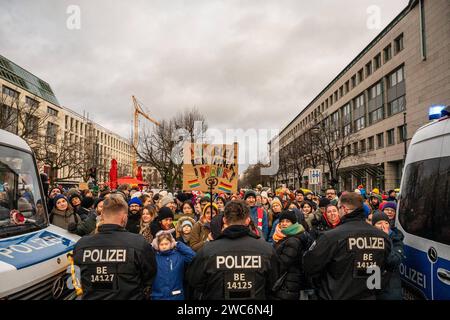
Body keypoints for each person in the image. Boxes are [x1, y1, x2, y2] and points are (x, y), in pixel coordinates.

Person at [303, 192, 392, 300]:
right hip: (369, 295)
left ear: (344, 209)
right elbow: (386, 268)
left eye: (338, 208)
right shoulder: (383, 237)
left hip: (336, 295)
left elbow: (309, 265)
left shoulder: (331, 236)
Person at [186, 200, 279, 300]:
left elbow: (194, 280)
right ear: (248, 220)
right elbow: (273, 282)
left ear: (224, 220)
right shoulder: (266, 250)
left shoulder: (208, 251)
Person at [73, 195, 157, 299]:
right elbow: (150, 276)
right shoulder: (138, 243)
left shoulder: (82, 244)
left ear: (102, 216)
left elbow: (77, 278)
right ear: (124, 217)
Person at [272, 210, 312, 300]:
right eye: (282, 221)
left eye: (287, 221)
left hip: (288, 282)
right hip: (287, 280)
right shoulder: (285, 236)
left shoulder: (293, 240)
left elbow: (282, 263)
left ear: (293, 223)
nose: (284, 224)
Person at [150, 230, 196, 300]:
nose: (164, 246)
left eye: (166, 244)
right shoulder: (153, 257)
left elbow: (193, 257)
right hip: (158, 296)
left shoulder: (179, 256)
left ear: (171, 243)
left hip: (176, 296)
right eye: (161, 244)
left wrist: (178, 244)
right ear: (157, 245)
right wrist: (151, 247)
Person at [371, 211, 404, 300]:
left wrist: (386, 240)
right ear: (373, 226)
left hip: (390, 288)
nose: (383, 226)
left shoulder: (396, 240)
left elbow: (393, 261)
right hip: (372, 286)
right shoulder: (368, 240)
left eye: (386, 223)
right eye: (379, 223)